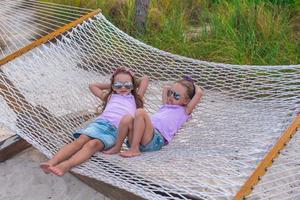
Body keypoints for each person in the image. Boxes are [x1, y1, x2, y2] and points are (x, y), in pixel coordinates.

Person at [40, 67, 148, 176]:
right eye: (118, 85)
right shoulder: (109, 96)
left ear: (133, 86)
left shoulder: (136, 98)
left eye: (127, 85)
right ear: (113, 87)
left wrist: (131, 82)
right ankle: (51, 162)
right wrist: (112, 85)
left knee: (93, 145)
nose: (123, 87)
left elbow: (145, 78)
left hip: (116, 131)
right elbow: (92, 86)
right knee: (80, 141)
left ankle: (66, 165)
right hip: (99, 124)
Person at [104, 76, 203, 157]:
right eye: (170, 93)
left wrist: (192, 85)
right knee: (127, 118)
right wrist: (172, 90)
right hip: (141, 138)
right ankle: (117, 147)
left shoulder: (185, 110)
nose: (171, 97)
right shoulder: (166, 106)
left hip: (156, 140)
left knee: (140, 112)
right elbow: (165, 88)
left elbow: (199, 93)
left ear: (186, 101)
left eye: (176, 96)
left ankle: (134, 149)